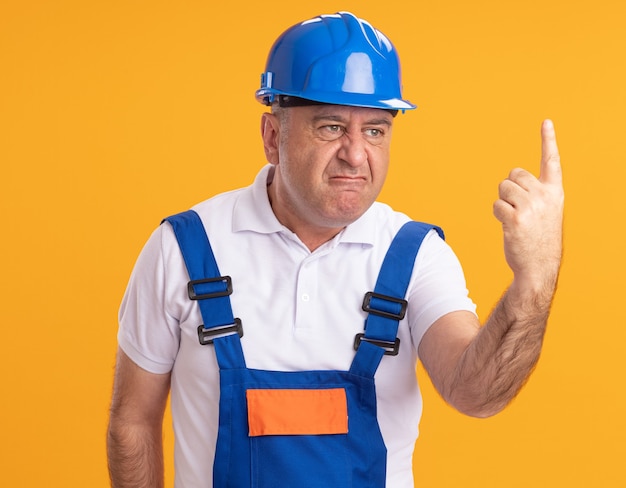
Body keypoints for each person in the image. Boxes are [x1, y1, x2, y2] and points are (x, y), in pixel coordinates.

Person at [107, 11, 564, 488]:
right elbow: (132, 422)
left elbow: (477, 394)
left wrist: (534, 281)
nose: (355, 153)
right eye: (330, 127)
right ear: (272, 137)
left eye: (375, 130)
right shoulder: (183, 248)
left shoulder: (414, 255)